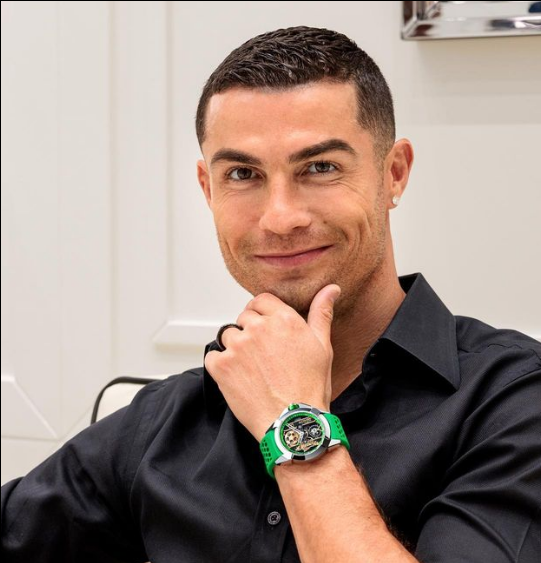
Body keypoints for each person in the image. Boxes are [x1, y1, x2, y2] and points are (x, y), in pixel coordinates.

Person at [2, 25, 540, 563]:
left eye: (320, 168)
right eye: (242, 174)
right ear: (208, 189)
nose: (280, 218)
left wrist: (294, 421)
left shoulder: (514, 399)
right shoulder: (162, 423)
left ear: (393, 174)